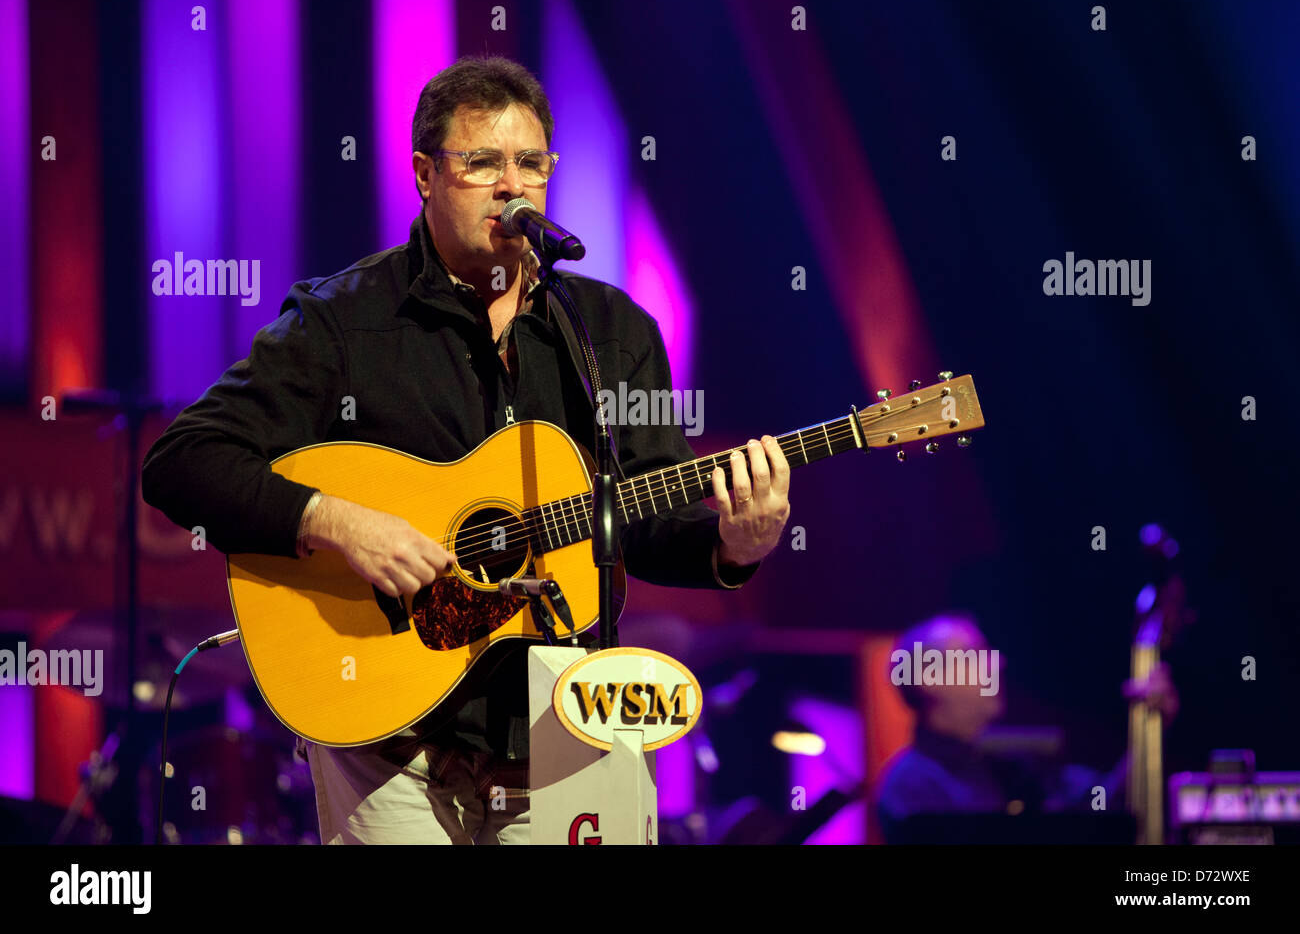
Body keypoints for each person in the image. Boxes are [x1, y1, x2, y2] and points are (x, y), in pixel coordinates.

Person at [141, 55, 791, 844]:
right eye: (482, 163)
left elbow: (644, 515)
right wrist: (337, 521)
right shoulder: (343, 321)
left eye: (530, 163)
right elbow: (184, 460)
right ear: (425, 174)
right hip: (389, 741)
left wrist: (733, 543)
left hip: (566, 727)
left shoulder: (613, 332)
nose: (512, 185)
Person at [874, 611, 1176, 843]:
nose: (997, 663)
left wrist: (1151, 728)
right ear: (930, 679)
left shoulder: (1010, 766)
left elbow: (1101, 804)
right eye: (974, 654)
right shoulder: (910, 786)